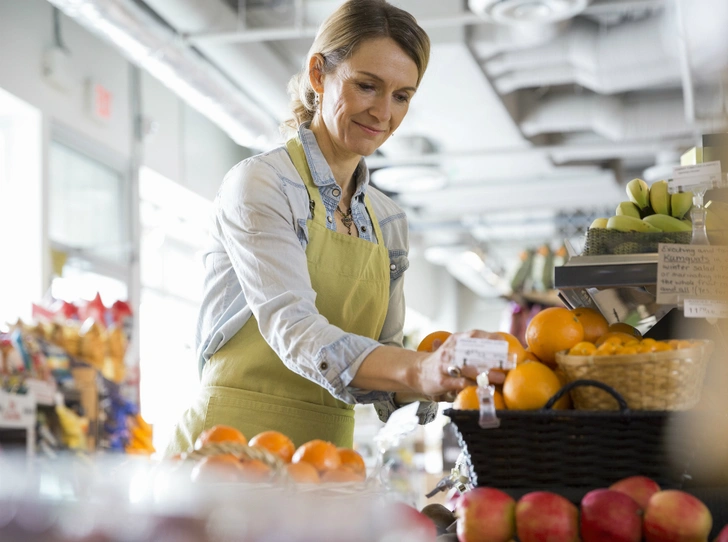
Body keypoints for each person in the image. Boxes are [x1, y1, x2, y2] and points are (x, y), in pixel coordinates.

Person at [165, 0, 496, 455]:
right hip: (227, 449)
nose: (384, 112)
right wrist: (420, 370)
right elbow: (294, 329)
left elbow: (386, 362)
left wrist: (450, 368)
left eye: (402, 96)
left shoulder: (388, 222)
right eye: (367, 86)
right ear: (319, 75)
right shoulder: (262, 184)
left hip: (324, 459)